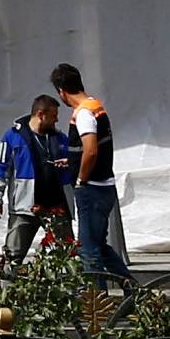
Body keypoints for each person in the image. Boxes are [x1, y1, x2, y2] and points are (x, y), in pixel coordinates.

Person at [51, 61, 132, 286]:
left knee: (88, 250)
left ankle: (96, 305)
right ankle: (133, 292)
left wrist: (80, 179)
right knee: (98, 244)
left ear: (61, 92)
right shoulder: (95, 105)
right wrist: (73, 161)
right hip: (104, 187)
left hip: (92, 189)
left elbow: (92, 150)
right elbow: (92, 149)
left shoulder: (84, 113)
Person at [0, 95, 74, 264]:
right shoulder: (13, 137)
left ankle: (70, 289)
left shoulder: (60, 139)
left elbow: (74, 165)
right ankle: (7, 288)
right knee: (13, 255)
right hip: (24, 206)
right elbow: (0, 168)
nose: (57, 119)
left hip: (57, 206)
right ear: (41, 114)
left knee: (67, 253)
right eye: (54, 115)